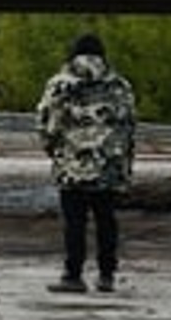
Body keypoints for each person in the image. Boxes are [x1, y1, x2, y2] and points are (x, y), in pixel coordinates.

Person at [36, 33, 136, 294]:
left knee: (75, 223)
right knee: (106, 221)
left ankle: (73, 275)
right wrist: (122, 163)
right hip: (108, 166)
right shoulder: (120, 86)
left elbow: (47, 124)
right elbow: (129, 126)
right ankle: (106, 275)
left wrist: (56, 153)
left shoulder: (59, 85)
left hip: (73, 165)